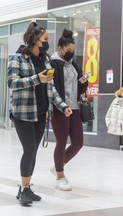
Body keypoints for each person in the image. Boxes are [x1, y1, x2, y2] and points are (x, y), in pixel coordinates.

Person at [7, 22, 73, 206]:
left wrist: (62, 106)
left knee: (33, 151)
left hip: (41, 113)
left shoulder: (45, 61)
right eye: (45, 39)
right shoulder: (17, 58)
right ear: (34, 39)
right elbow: (12, 83)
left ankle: (27, 187)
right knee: (29, 149)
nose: (47, 42)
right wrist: (37, 78)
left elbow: (50, 88)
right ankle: (23, 189)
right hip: (23, 114)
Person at [49, 29, 88, 191]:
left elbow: (79, 87)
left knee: (78, 143)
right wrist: (61, 105)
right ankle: (60, 176)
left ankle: (58, 164)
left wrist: (84, 81)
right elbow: (51, 88)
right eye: (69, 51)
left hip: (75, 108)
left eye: (73, 51)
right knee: (62, 141)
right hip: (59, 109)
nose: (71, 54)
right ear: (60, 48)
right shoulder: (52, 62)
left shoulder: (74, 64)